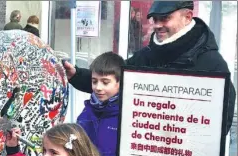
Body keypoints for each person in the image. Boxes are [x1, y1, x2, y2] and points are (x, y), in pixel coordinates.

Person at [63, 0, 236, 136]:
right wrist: (76, 75)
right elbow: (114, 82)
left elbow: (219, 124)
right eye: (155, 19)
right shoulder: (146, 55)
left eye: (165, 18)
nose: (157, 25)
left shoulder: (211, 63)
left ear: (188, 16)